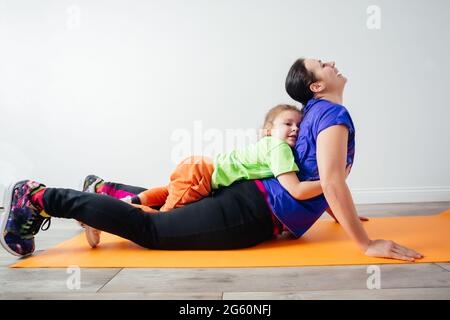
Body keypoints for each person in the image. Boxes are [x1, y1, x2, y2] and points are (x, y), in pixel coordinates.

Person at [0, 58, 423, 262]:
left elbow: (318, 172)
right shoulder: (333, 115)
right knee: (153, 231)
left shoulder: (314, 114)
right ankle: (40, 197)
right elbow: (330, 180)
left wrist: (336, 209)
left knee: (164, 206)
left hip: (253, 198)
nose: (332, 63)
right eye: (322, 64)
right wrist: (365, 244)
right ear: (315, 86)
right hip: (256, 209)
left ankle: (102, 190)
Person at [80, 104, 354, 247]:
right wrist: (334, 182)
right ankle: (101, 217)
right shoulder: (279, 149)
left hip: (200, 170)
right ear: (268, 130)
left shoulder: (273, 146)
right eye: (288, 124)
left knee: (165, 192)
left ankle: (106, 192)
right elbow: (296, 190)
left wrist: (337, 211)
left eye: (298, 124)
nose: (295, 129)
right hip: (203, 176)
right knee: (164, 221)